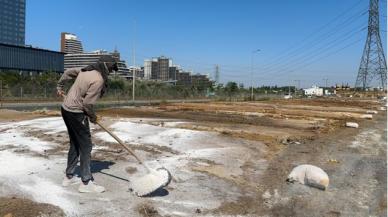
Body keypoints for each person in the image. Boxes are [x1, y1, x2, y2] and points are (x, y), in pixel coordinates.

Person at [57, 55, 118, 193]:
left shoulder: (85, 71)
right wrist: (93, 117)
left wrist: (60, 86)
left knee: (75, 143)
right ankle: (85, 182)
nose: (111, 71)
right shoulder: (98, 80)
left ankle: (68, 176)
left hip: (65, 109)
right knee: (86, 146)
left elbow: (67, 72)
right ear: (106, 65)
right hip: (77, 113)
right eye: (111, 68)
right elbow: (87, 105)